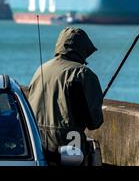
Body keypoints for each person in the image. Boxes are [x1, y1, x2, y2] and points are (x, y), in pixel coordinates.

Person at [28, 27, 103, 165]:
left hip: (37, 146)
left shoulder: (40, 70)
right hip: (70, 150)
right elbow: (95, 122)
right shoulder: (82, 74)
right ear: (82, 49)